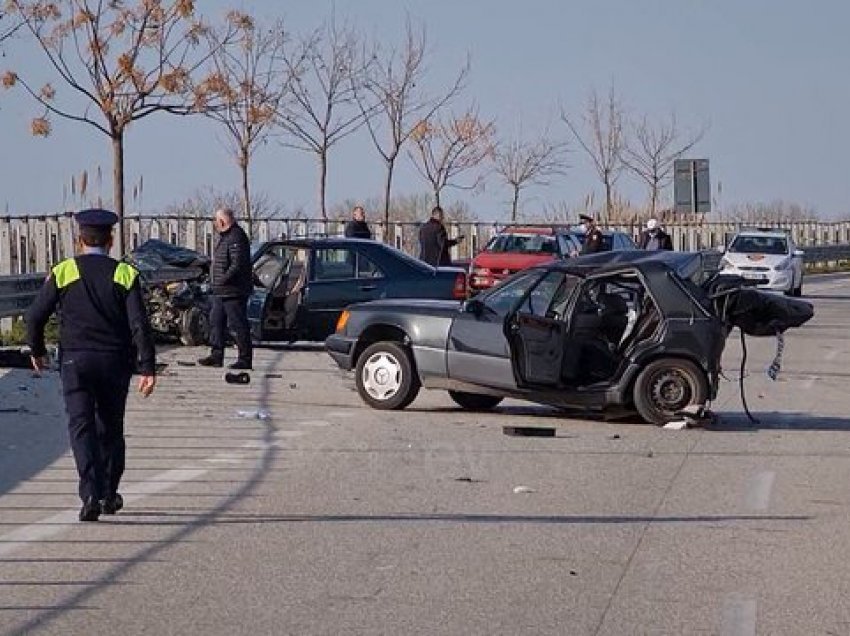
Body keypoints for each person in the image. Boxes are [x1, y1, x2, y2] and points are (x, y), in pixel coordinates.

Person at [25, 208, 156, 522]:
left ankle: (89, 495)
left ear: (79, 240)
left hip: (74, 361)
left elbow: (34, 316)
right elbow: (139, 324)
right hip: (114, 362)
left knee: (81, 426)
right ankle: (109, 493)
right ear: (111, 240)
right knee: (111, 427)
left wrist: (37, 350)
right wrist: (148, 367)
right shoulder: (125, 273)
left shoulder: (64, 271)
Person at [199, 208, 253, 370]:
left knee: (238, 324)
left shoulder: (236, 237)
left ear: (222, 221)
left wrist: (222, 280)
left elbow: (237, 264)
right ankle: (216, 355)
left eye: (216, 221)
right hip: (220, 291)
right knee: (216, 322)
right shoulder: (225, 238)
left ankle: (245, 358)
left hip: (233, 291)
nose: (215, 224)